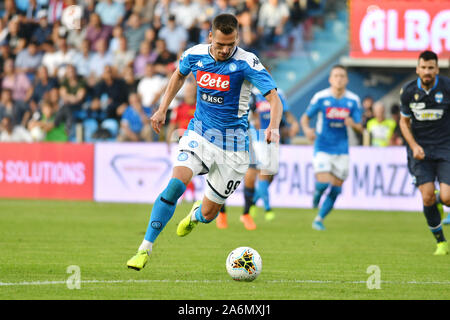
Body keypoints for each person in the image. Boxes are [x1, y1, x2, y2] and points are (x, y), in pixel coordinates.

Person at [126, 13, 283, 271]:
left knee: (210, 214)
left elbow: (274, 98)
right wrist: (162, 108)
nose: (224, 49)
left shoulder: (247, 63)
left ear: (236, 39)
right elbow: (178, 75)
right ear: (210, 36)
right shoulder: (195, 54)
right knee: (175, 186)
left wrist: (273, 127)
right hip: (199, 134)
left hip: (234, 146)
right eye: (220, 43)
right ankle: (144, 249)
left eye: (230, 44)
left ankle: (196, 215)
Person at [399, 50, 450, 254]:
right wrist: (413, 146)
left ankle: (440, 201)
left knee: (447, 197)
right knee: (427, 196)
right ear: (417, 69)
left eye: (431, 68)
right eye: (424, 67)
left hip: (446, 147)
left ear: (437, 69)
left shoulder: (447, 87)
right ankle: (441, 242)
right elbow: (404, 122)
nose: (427, 71)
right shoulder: (409, 91)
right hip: (419, 150)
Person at [300, 64, 363, 231]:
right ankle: (317, 195)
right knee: (323, 183)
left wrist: (353, 124)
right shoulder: (321, 97)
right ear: (330, 79)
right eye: (336, 76)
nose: (339, 79)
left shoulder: (353, 100)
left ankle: (319, 219)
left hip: (342, 149)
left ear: (347, 79)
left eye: (342, 76)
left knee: (336, 190)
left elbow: (360, 126)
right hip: (322, 146)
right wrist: (307, 130)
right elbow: (305, 118)